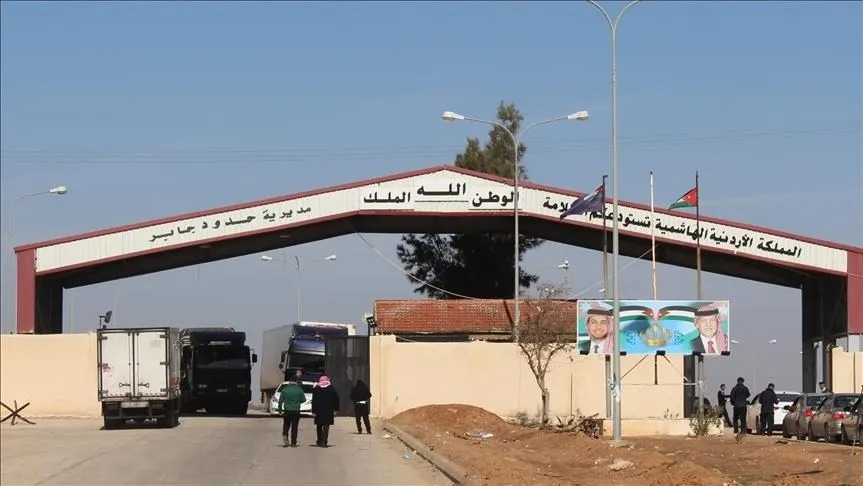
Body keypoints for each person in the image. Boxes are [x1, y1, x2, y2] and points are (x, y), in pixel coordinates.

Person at [311, 375, 340, 448]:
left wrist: (313, 411)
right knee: (326, 427)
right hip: (328, 410)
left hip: (318, 410)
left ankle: (319, 441)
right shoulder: (331, 388)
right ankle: (324, 442)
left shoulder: (316, 388)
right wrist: (336, 409)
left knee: (319, 426)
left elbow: (314, 401)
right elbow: (336, 399)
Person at [277, 376, 306, 448]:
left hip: (287, 410)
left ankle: (285, 434)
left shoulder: (285, 389)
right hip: (296, 410)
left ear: (289, 382)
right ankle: (293, 443)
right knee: (294, 427)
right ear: (296, 382)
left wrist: (280, 410)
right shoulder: (299, 390)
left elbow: (280, 401)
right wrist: (297, 401)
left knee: (286, 424)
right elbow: (303, 400)